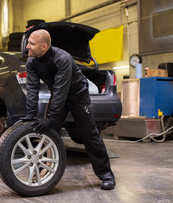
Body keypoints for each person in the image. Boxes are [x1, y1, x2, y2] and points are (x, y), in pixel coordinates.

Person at [24, 29, 115, 190]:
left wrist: (50, 117)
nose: (27, 47)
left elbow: (61, 90)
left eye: (32, 43)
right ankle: (43, 172)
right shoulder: (32, 61)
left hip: (77, 94)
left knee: (89, 134)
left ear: (44, 46)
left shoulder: (62, 59)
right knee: (49, 133)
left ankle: (106, 175)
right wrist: (30, 115)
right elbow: (32, 89)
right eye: (28, 42)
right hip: (58, 93)